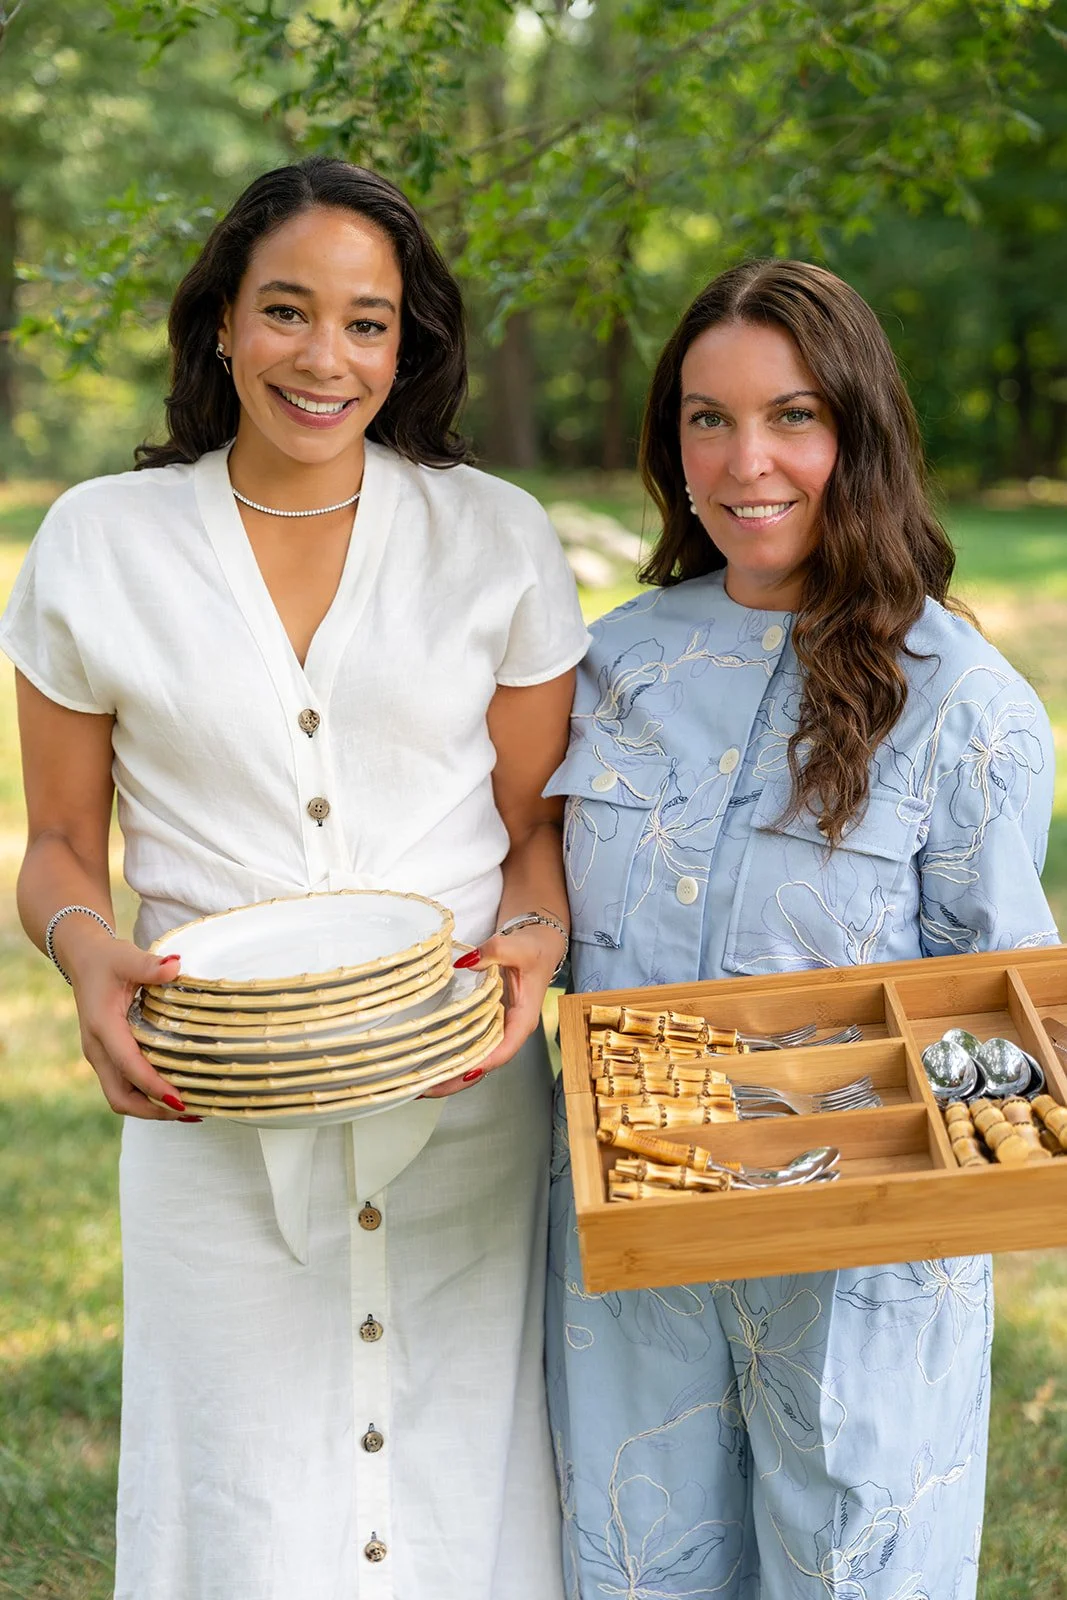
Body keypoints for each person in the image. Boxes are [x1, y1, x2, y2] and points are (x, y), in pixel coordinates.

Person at [0, 157, 590, 1599]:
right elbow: (63, 847)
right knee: (241, 1506)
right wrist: (89, 965)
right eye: (286, 311)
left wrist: (528, 946)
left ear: (409, 344)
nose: (325, 359)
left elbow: (535, 836)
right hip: (212, 1105)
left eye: (367, 323)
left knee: (470, 1485)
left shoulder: (494, 537)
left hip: (460, 1095)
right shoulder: (99, 543)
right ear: (219, 324)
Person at [543, 259, 1057, 1598]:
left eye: (791, 417)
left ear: (859, 434)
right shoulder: (605, 668)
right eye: (705, 419)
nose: (744, 460)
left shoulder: (962, 703)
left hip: (856, 1281)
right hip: (633, 1249)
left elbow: (1012, 1028)